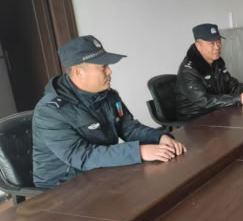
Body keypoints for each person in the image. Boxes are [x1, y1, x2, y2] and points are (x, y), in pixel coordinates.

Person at [33, 35, 186, 188]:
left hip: (100, 172)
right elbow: (81, 156)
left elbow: (129, 128)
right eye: (103, 67)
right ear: (78, 72)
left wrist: (159, 137)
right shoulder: (50, 111)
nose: (109, 71)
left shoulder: (108, 95)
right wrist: (138, 151)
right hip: (62, 186)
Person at [174, 23, 243, 120]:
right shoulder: (188, 71)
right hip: (195, 119)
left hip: (217, 112)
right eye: (211, 43)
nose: (217, 47)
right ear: (198, 46)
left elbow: (231, 85)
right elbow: (204, 101)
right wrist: (238, 99)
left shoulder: (216, 62)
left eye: (218, 42)